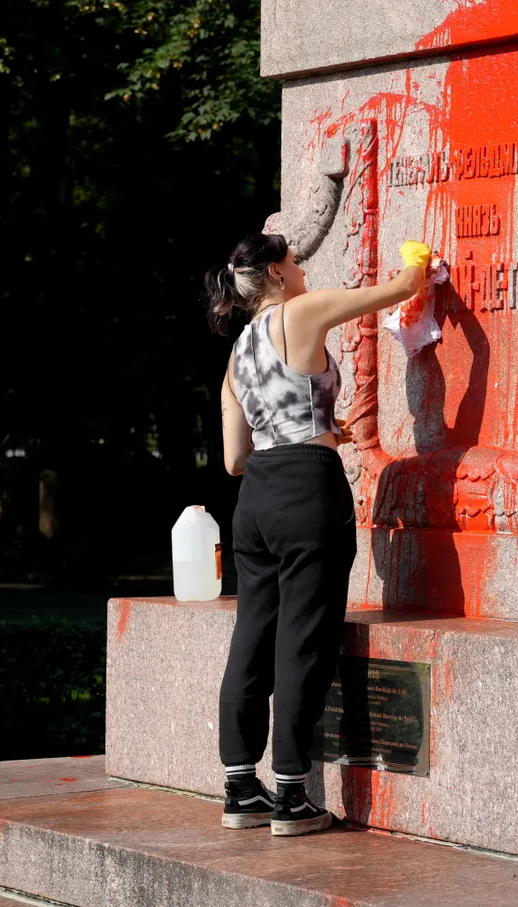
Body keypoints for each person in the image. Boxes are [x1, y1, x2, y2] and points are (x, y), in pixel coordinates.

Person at [204, 232, 430, 836]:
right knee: (304, 638)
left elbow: (234, 459)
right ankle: (291, 795)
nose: (302, 269)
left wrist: (327, 429)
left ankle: (239, 788)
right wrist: (417, 259)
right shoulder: (301, 310)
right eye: (295, 260)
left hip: (255, 502)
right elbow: (400, 292)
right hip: (308, 490)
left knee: (252, 635)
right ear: (277, 273)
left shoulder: (236, 356)